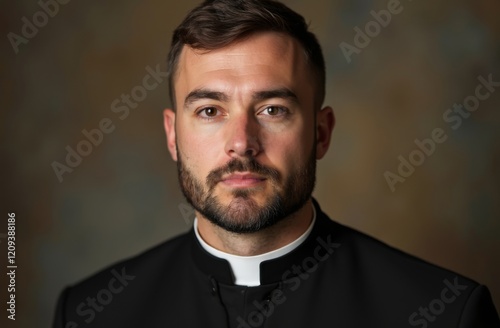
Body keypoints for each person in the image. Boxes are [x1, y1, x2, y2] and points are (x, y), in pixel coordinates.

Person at [53, 0, 500, 327]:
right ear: (173, 134)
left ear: (321, 133)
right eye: (210, 110)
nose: (242, 143)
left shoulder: (445, 313)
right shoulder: (91, 312)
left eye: (272, 110)